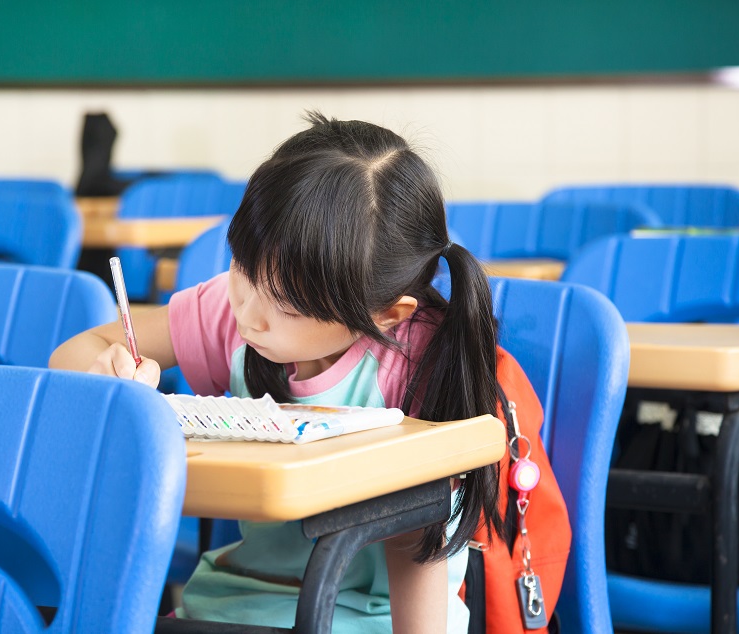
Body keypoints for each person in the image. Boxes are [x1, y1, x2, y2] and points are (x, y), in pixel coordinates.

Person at [50, 113, 509, 633]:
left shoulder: (417, 361)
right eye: (244, 267)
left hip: (374, 617)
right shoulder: (228, 313)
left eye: (288, 305)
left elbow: (418, 542)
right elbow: (76, 350)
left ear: (386, 314)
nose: (248, 313)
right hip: (238, 599)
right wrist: (104, 375)